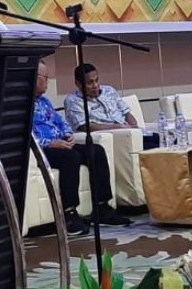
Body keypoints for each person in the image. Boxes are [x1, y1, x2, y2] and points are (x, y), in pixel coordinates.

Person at [33, 60, 132, 234]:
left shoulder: (45, 102)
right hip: (41, 150)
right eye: (46, 77)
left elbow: (61, 122)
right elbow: (24, 136)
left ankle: (101, 208)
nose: (48, 81)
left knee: (96, 150)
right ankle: (69, 213)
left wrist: (67, 134)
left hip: (61, 143)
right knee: (71, 157)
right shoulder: (19, 105)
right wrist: (50, 143)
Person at [64, 63, 160, 149]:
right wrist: (118, 127)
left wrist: (133, 125)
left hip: (131, 133)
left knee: (163, 140)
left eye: (97, 80)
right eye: (90, 82)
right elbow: (84, 126)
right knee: (153, 148)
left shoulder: (109, 90)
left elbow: (126, 112)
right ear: (78, 84)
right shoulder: (73, 101)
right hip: (114, 137)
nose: (95, 85)